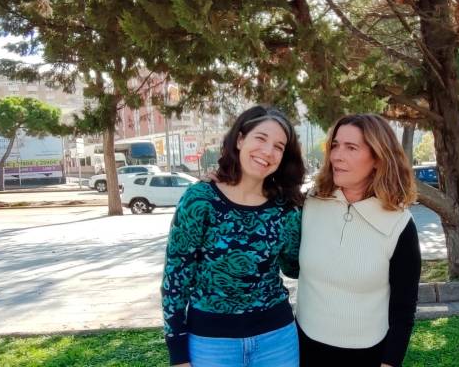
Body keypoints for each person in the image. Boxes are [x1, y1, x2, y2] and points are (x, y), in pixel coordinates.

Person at [161, 105, 305, 367]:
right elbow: (176, 277)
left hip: (277, 340)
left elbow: (292, 267)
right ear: (240, 139)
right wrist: (177, 352)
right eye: (260, 138)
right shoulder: (200, 199)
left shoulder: (284, 207)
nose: (267, 151)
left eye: (279, 146)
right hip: (211, 343)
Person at [296, 113, 421, 367]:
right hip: (303, 348)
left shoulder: (399, 225)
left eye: (351, 147)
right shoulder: (310, 203)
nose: (336, 156)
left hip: (366, 355)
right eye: (335, 145)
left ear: (377, 158)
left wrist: (390, 363)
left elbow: (403, 308)